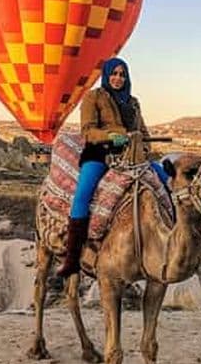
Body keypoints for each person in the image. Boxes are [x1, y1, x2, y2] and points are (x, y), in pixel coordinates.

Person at [57, 57, 169, 278]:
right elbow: (87, 131)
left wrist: (143, 149)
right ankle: (72, 258)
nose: (118, 78)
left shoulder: (133, 102)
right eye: (114, 74)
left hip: (131, 156)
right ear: (106, 76)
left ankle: (169, 238)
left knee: (166, 178)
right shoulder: (93, 97)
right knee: (82, 196)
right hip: (100, 153)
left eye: (122, 74)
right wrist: (110, 136)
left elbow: (143, 134)